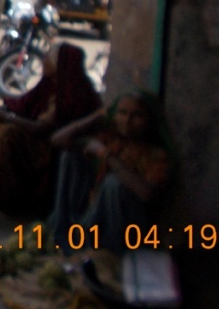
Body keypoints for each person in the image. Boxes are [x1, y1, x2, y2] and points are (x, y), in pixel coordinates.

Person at [0, 43, 103, 221]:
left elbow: (42, 128)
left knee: (7, 136)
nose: (44, 61)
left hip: (54, 148)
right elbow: (23, 104)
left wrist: (0, 114)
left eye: (48, 58)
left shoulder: (72, 92)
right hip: (40, 138)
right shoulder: (50, 84)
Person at [47, 89, 174, 254]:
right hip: (96, 216)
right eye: (122, 113)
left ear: (149, 120)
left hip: (128, 229)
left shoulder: (156, 155)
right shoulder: (112, 139)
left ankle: (105, 251)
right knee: (70, 156)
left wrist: (106, 155)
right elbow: (57, 140)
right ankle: (65, 234)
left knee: (113, 184)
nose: (127, 121)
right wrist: (97, 116)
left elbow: (146, 193)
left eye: (136, 116)